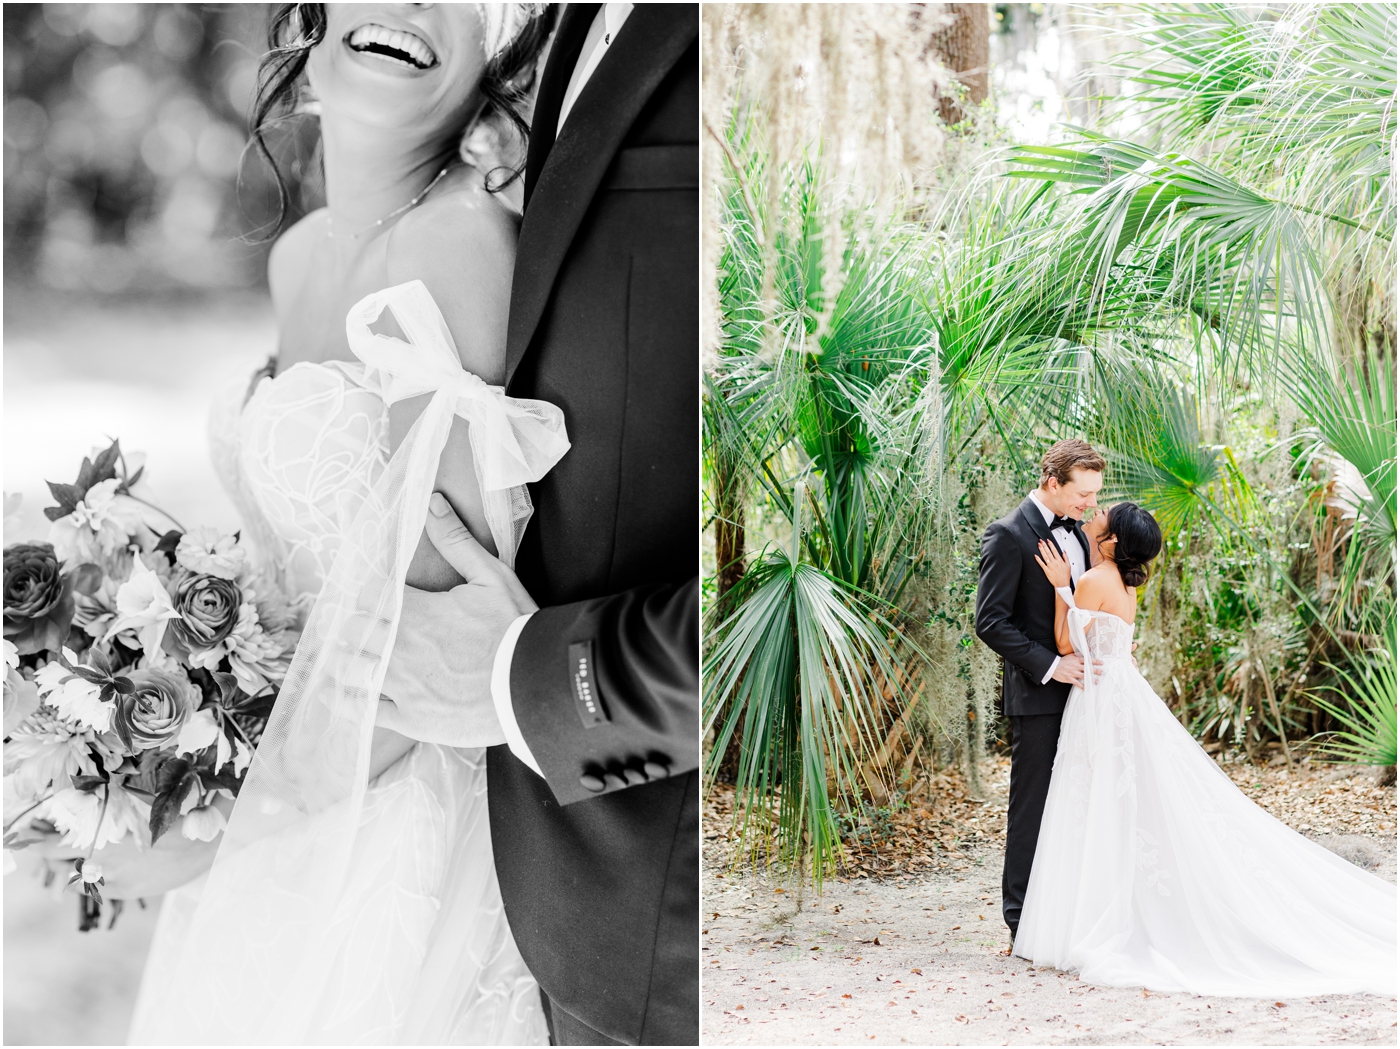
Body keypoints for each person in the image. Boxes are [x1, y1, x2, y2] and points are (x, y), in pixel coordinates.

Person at [127, 5, 567, 1042]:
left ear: (493, 66)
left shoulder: (462, 245)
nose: (416, 5)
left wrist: (234, 809)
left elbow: (427, 645)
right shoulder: (301, 253)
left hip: (398, 807)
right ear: (312, 24)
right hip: (310, 772)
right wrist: (176, 705)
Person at [375, 5, 700, 1043]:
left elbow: (831, 584)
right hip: (560, 905)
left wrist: (530, 675)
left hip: (685, 905)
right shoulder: (572, 26)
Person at [1018, 502, 1397, 995]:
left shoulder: (1092, 580)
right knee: (1120, 798)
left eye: (1103, 518)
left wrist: (1060, 587)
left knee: (1098, 798)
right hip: (1118, 694)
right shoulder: (1124, 581)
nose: (1096, 516)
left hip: (1100, 701)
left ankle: (1092, 917)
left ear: (1111, 542)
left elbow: (1068, 647)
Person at [974, 438, 1106, 949]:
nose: (1091, 504)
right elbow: (990, 621)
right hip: (1040, 695)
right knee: (1032, 807)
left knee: (1079, 804)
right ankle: (1022, 922)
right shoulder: (1008, 535)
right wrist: (1052, 665)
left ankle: (1066, 912)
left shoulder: (1081, 533)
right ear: (1053, 483)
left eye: (1095, 494)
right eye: (1083, 493)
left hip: (1088, 694)